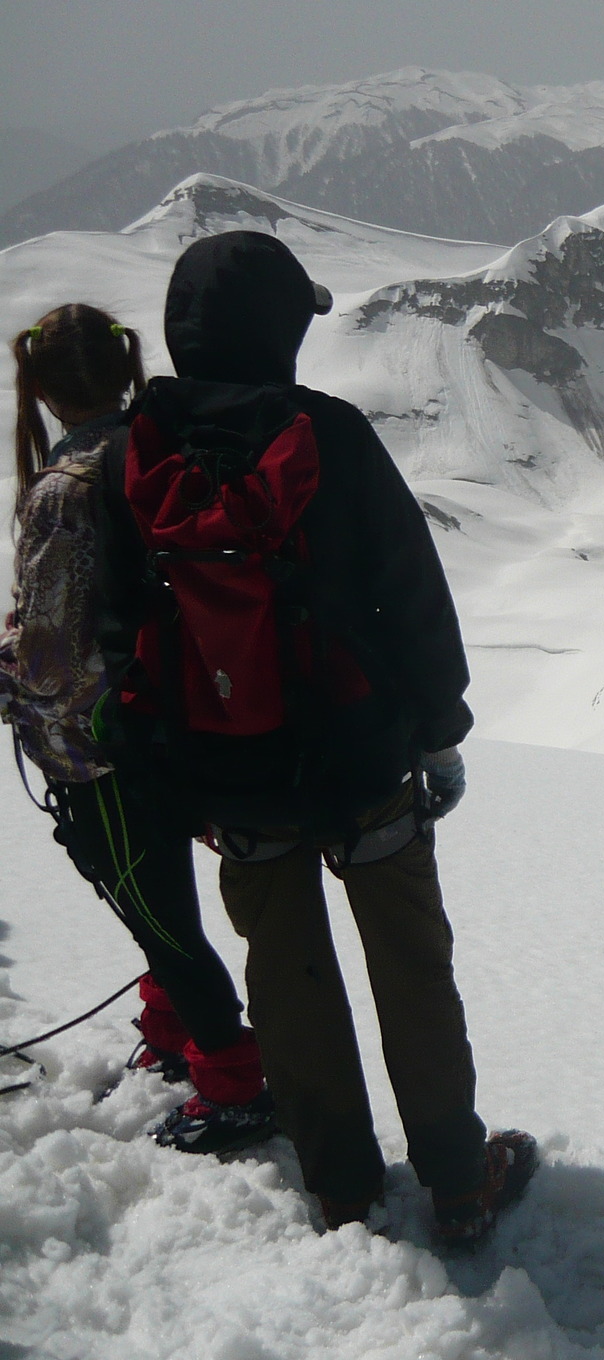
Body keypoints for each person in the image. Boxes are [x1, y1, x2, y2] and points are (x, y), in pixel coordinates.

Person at [98, 230, 535, 1246]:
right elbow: (408, 595)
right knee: (410, 966)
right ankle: (459, 1181)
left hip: (229, 772)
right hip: (359, 757)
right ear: (281, 330)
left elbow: (122, 634)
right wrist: (437, 733)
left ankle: (340, 1182)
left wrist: (178, 773)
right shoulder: (325, 435)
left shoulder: (136, 453)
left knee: (284, 975)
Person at [0, 304, 276, 1154]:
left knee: (157, 916)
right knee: (162, 900)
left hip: (98, 751)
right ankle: (172, 1036)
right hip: (185, 724)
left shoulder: (59, 492)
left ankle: (231, 1079)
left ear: (40, 391)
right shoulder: (160, 453)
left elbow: (48, 661)